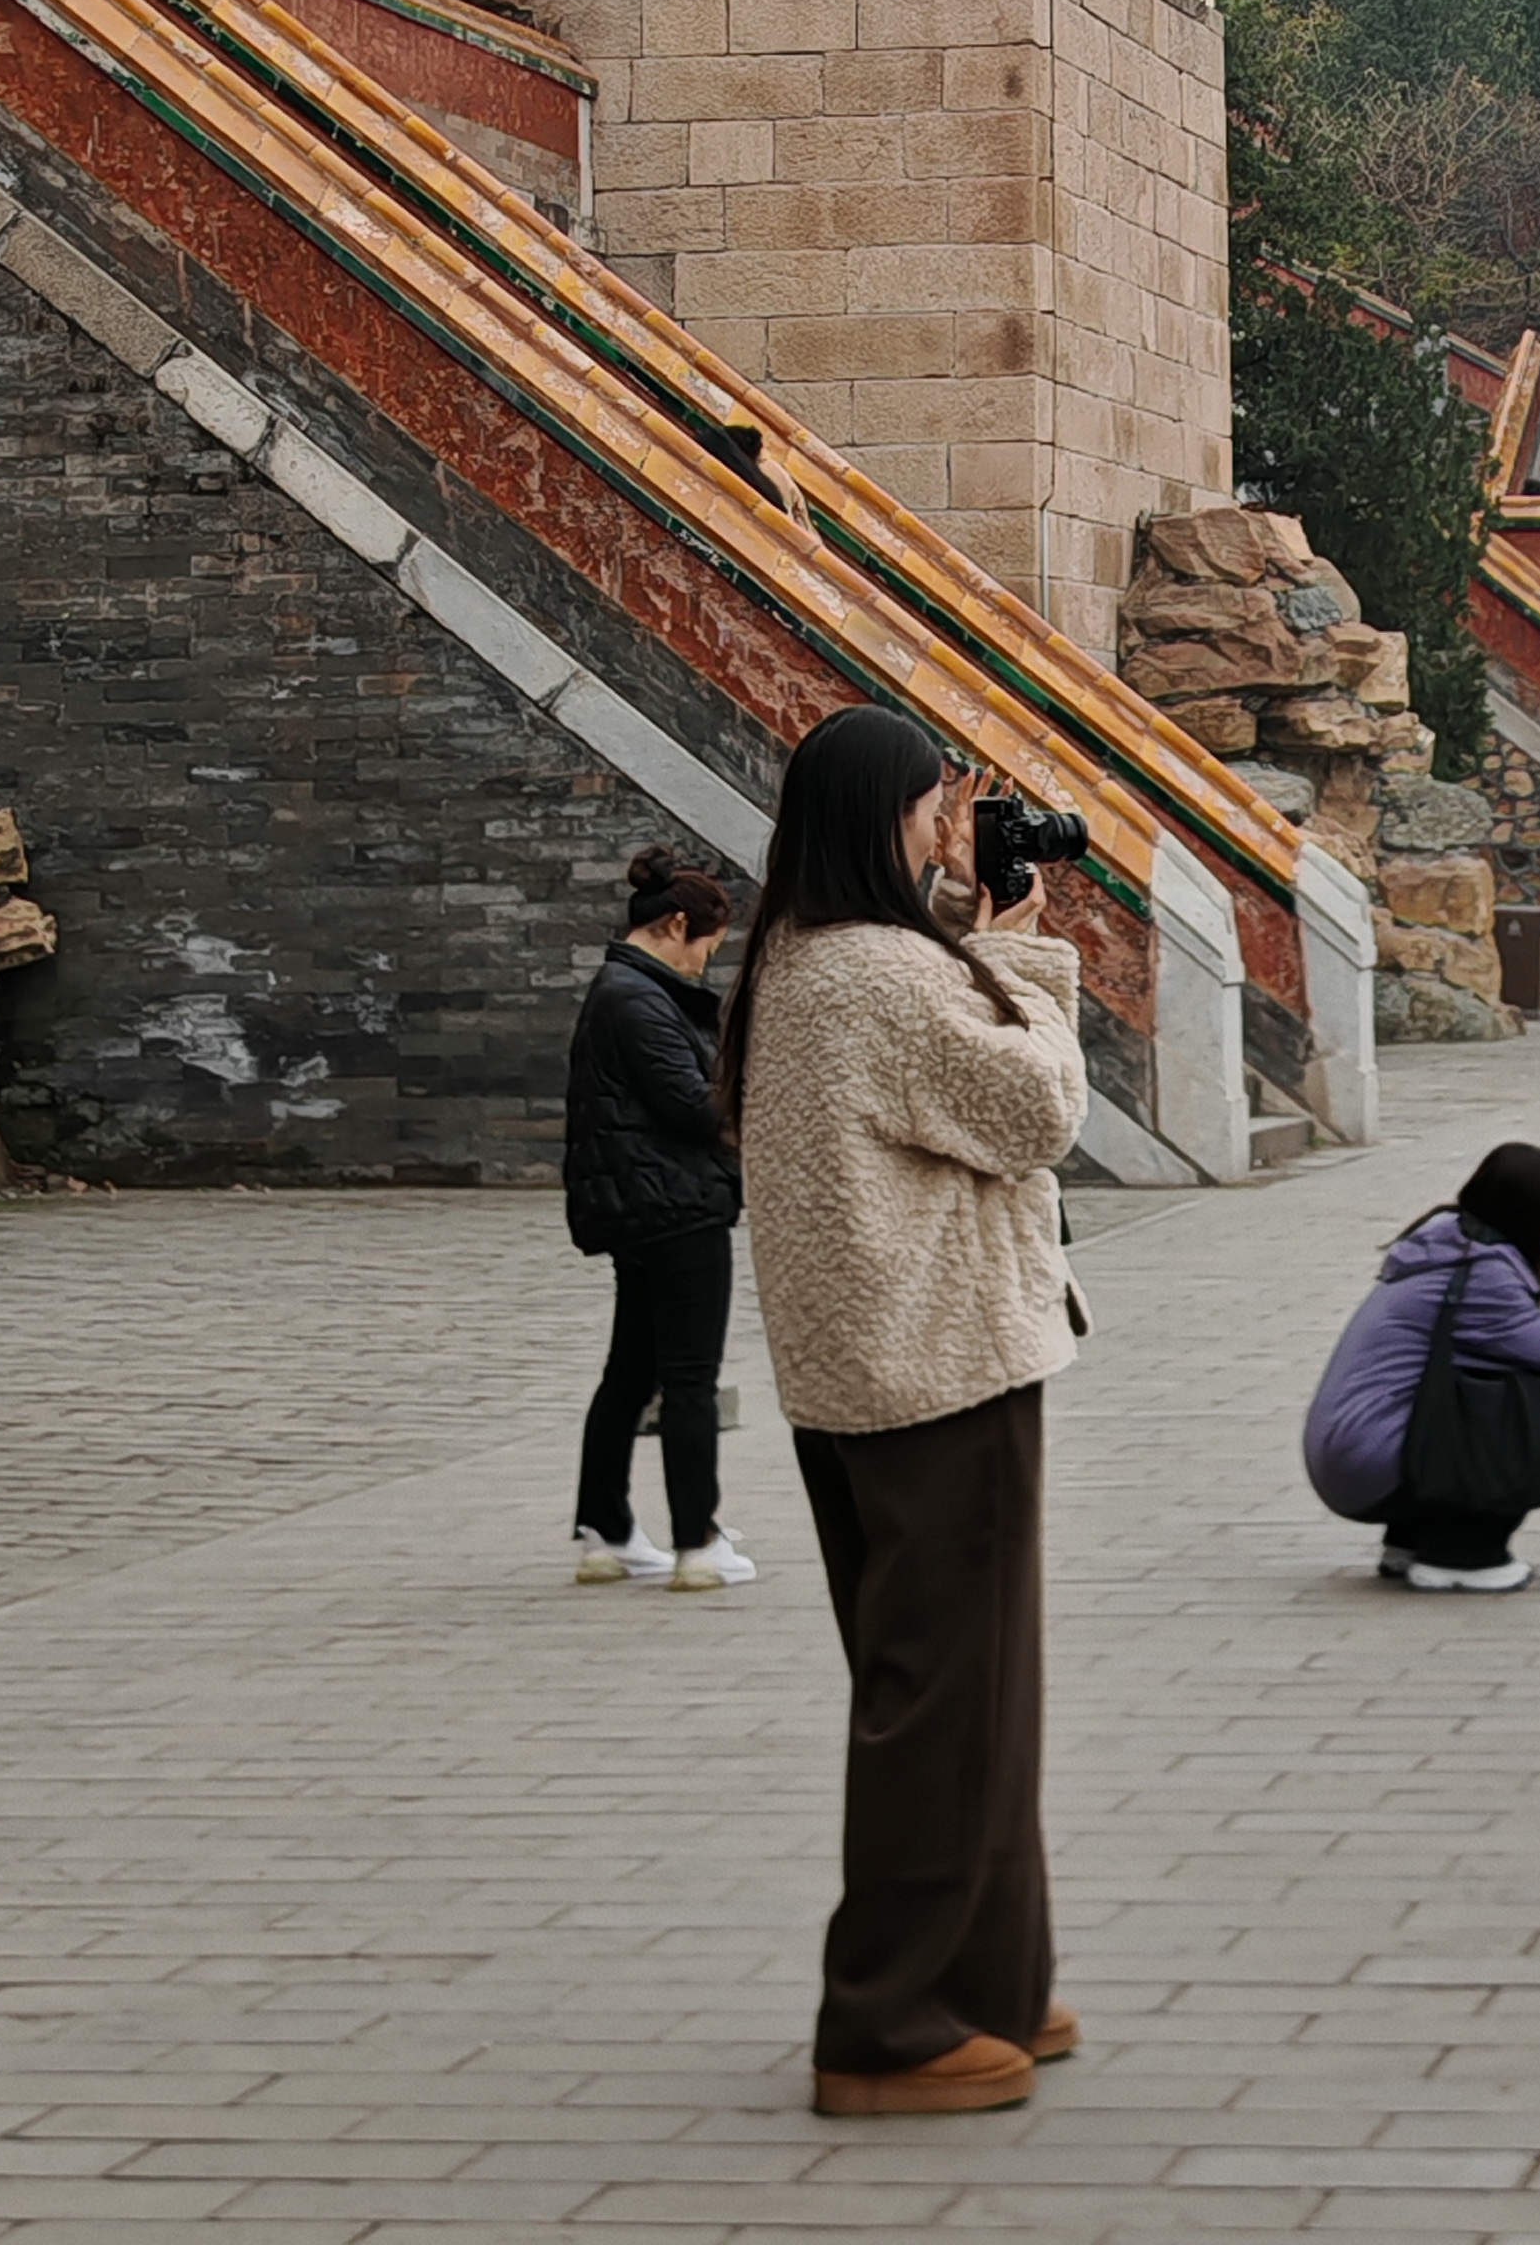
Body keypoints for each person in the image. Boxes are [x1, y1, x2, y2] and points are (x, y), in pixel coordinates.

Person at [717, 704, 1090, 2120]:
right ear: (884, 815)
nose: (955, 830)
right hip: (942, 1371)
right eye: (938, 808)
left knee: (961, 1695)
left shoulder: (802, 959)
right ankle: (884, 2021)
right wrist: (1014, 953)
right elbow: (1035, 1112)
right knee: (947, 1709)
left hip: (861, 1376)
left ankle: (990, 1979)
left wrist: (956, 934)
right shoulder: (882, 975)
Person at [1303, 1141, 1540, 1590]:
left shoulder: (1456, 1248)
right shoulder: (1483, 1273)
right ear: (1537, 1218)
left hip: (1353, 1460)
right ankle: (1463, 1556)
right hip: (1373, 1465)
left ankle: (1415, 1538)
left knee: (1511, 1379)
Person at [565, 845, 751, 1592]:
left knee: (631, 1372)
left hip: (641, 1204)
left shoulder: (626, 990)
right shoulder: (639, 999)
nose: (709, 961)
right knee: (688, 1379)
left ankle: (605, 1530)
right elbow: (695, 1106)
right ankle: (697, 1541)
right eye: (709, 944)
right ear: (677, 924)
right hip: (677, 1205)